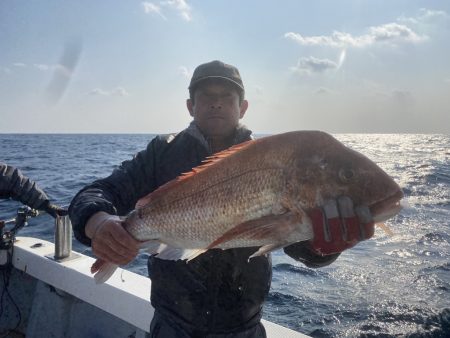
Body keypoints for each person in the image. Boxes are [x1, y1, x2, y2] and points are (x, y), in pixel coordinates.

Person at [69, 60, 375, 337]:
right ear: (190, 106)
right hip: (172, 325)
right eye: (206, 96)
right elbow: (94, 194)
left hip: (244, 326)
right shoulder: (160, 153)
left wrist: (325, 248)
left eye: (227, 97)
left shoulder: (275, 163)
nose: (217, 104)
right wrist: (99, 222)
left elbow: (297, 245)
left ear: (243, 107)